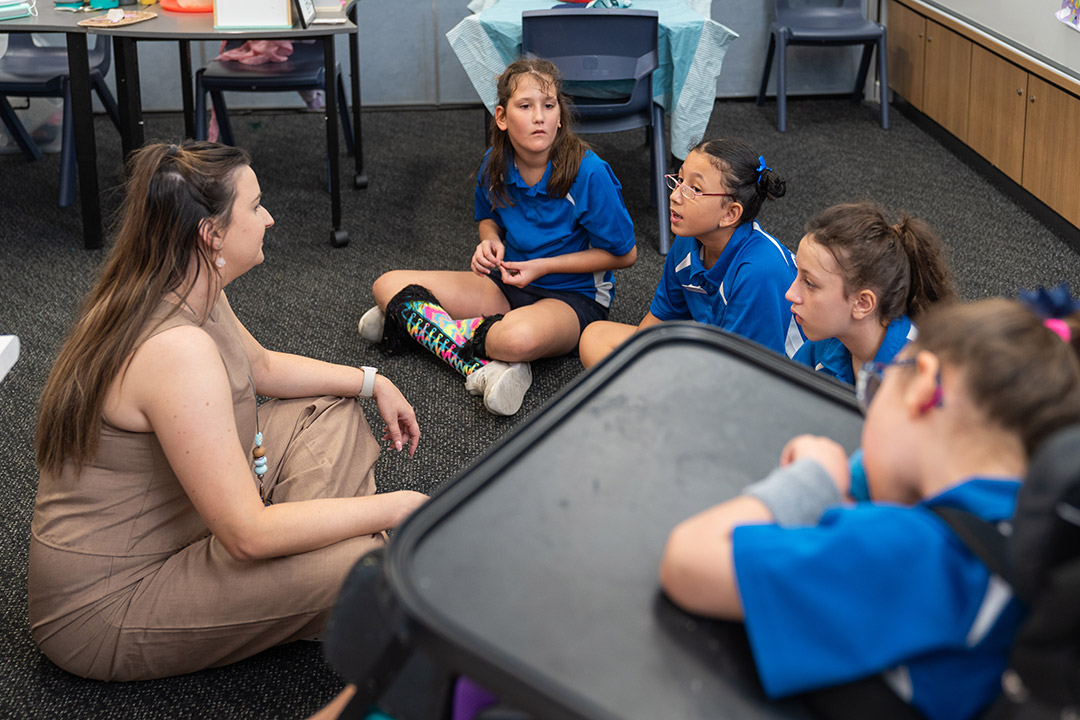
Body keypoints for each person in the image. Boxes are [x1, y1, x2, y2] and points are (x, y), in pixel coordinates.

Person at [29, 141, 428, 682]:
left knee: (330, 409)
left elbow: (260, 366)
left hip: (195, 524)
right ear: (210, 234)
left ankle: (308, 589)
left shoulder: (182, 280)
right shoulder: (175, 351)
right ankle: (321, 585)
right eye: (256, 205)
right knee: (375, 565)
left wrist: (371, 381)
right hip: (111, 607)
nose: (268, 217)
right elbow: (248, 535)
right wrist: (396, 508)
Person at [659, 297, 1080, 720]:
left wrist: (810, 481)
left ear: (922, 385)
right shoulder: (1034, 524)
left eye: (878, 386)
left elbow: (689, 561)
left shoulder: (914, 551)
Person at [358, 56, 637, 416]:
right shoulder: (494, 161)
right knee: (387, 285)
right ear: (502, 118)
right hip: (505, 285)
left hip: (573, 300)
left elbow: (625, 254)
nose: (540, 117)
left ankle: (417, 323)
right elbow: (488, 218)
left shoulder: (590, 172)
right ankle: (482, 366)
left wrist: (543, 267)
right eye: (526, 106)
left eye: (549, 106)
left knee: (514, 338)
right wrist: (489, 240)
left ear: (560, 116)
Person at [578, 137, 796, 370]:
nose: (675, 196)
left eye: (694, 189)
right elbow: (657, 323)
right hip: (713, 349)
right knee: (595, 336)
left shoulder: (759, 270)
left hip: (772, 378)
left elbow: (747, 373)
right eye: (680, 180)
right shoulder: (687, 243)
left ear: (730, 214)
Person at [787, 201, 954, 383]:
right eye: (797, 275)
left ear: (862, 303)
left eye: (810, 283)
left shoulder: (919, 382)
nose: (790, 294)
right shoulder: (826, 342)